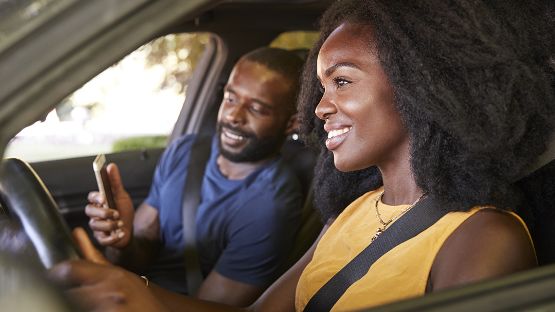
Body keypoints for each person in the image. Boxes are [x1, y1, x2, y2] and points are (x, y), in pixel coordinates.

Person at [49, 0, 555, 311]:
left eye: (341, 81)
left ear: (421, 88)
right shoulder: (358, 210)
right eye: (319, 85)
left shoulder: (486, 240)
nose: (318, 106)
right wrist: (130, 291)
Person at [83, 47, 305, 305]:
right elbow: (140, 250)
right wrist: (121, 242)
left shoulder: (270, 203)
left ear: (292, 123)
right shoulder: (186, 150)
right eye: (231, 99)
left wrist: (122, 286)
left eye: (256, 109)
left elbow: (210, 307)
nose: (233, 116)